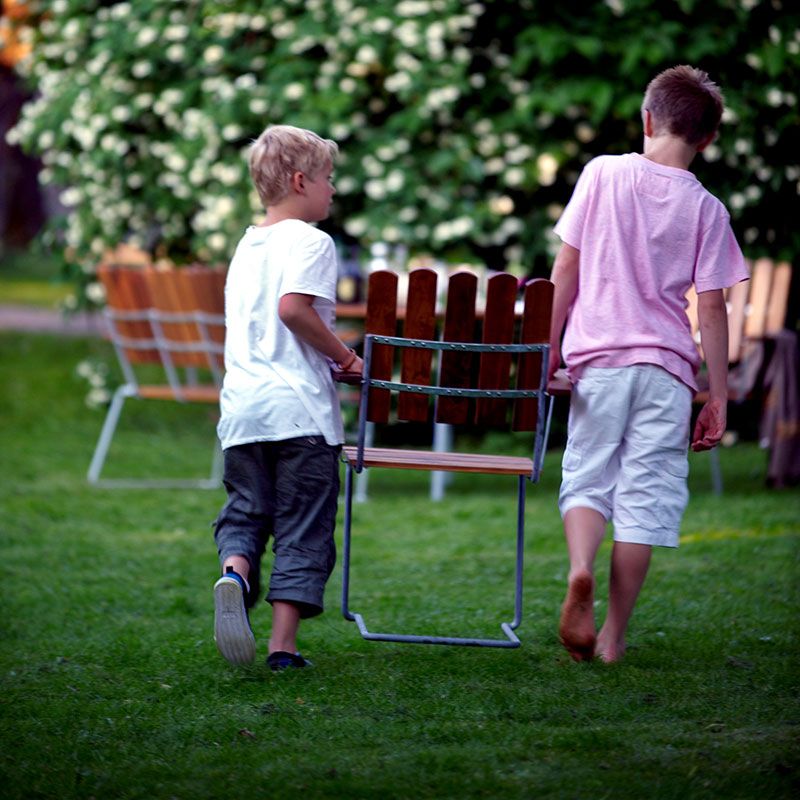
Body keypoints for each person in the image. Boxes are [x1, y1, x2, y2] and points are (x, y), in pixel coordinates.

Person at [547, 65, 749, 663]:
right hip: (666, 371)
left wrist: (548, 350)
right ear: (707, 139)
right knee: (645, 496)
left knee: (587, 476)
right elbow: (711, 305)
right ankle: (612, 636)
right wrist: (718, 393)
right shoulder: (708, 210)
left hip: (600, 363)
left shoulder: (602, 173)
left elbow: (566, 271)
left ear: (647, 119)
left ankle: (580, 569)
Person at [212, 124, 362, 671]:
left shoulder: (247, 245)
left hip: (243, 413)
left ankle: (234, 573)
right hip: (299, 414)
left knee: (247, 510)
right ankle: (283, 648)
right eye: (328, 179)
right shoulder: (312, 241)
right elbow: (294, 311)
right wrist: (345, 359)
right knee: (304, 523)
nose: (332, 190)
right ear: (301, 181)